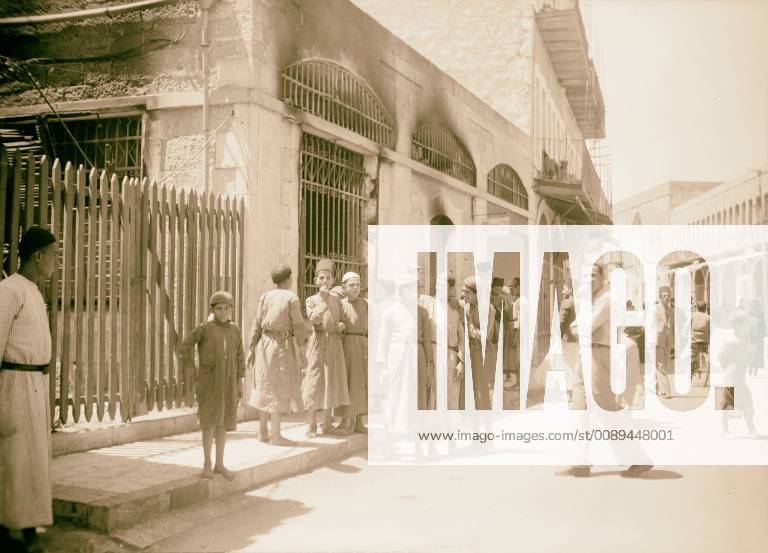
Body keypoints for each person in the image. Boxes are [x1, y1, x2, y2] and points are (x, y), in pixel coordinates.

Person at [0, 227, 58, 553]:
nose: (56, 263)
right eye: (54, 256)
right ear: (38, 256)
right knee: (15, 459)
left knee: (33, 461)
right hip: (14, 385)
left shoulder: (34, 291)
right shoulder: (9, 291)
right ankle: (17, 533)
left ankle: (25, 528)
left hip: (35, 384)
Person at [179, 291, 245, 480]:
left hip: (228, 384)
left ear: (232, 309)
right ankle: (207, 464)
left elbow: (240, 357)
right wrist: (191, 367)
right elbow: (184, 346)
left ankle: (219, 464)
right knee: (209, 423)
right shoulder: (204, 328)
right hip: (209, 384)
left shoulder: (235, 330)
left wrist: (239, 382)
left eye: (227, 308)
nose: (223, 312)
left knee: (222, 424)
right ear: (212, 310)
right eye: (219, 309)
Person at [247, 265, 307, 445]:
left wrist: (251, 348)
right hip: (281, 346)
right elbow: (298, 326)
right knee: (277, 388)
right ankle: (276, 435)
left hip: (264, 344)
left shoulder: (265, 297)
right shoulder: (291, 298)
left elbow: (256, 324)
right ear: (288, 279)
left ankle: (263, 431)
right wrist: (302, 348)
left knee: (264, 386)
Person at [302, 259, 350, 438]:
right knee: (315, 382)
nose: (325, 281)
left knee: (331, 381)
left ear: (332, 281)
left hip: (334, 344)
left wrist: (340, 326)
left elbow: (340, 319)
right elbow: (314, 319)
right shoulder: (311, 300)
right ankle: (312, 424)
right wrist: (322, 299)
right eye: (321, 278)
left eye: (328, 278)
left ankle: (328, 423)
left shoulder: (337, 301)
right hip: (318, 344)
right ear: (315, 281)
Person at [719, 309, 757, 437]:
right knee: (728, 402)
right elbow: (721, 356)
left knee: (746, 402)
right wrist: (729, 367)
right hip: (732, 375)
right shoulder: (732, 340)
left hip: (741, 376)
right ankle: (725, 429)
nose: (748, 326)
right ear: (738, 325)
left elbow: (748, 355)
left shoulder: (745, 338)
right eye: (746, 324)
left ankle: (751, 429)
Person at [339, 272, 368, 433]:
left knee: (362, 385)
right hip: (348, 344)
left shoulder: (365, 304)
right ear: (344, 287)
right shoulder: (341, 304)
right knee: (349, 383)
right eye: (352, 285)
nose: (356, 288)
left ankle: (359, 422)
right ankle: (345, 420)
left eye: (358, 284)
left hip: (363, 345)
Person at [446, 275, 466, 410]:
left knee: (454, 393)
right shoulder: (429, 303)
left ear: (451, 290)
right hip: (437, 354)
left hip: (454, 355)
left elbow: (462, 337)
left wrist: (462, 362)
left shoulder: (457, 308)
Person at [655, 285, 674, 398]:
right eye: (664, 295)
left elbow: (673, 326)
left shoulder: (672, 310)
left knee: (664, 366)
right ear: (660, 297)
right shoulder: (655, 309)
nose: (666, 297)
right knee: (661, 365)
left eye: (668, 295)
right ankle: (666, 391)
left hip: (668, 340)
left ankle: (657, 388)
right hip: (658, 339)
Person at [690, 300, 710, 382]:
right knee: (706, 357)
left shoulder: (693, 316)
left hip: (694, 340)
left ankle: (690, 376)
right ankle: (706, 378)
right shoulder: (708, 317)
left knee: (692, 358)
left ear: (697, 308)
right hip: (704, 340)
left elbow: (686, 327)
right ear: (705, 308)